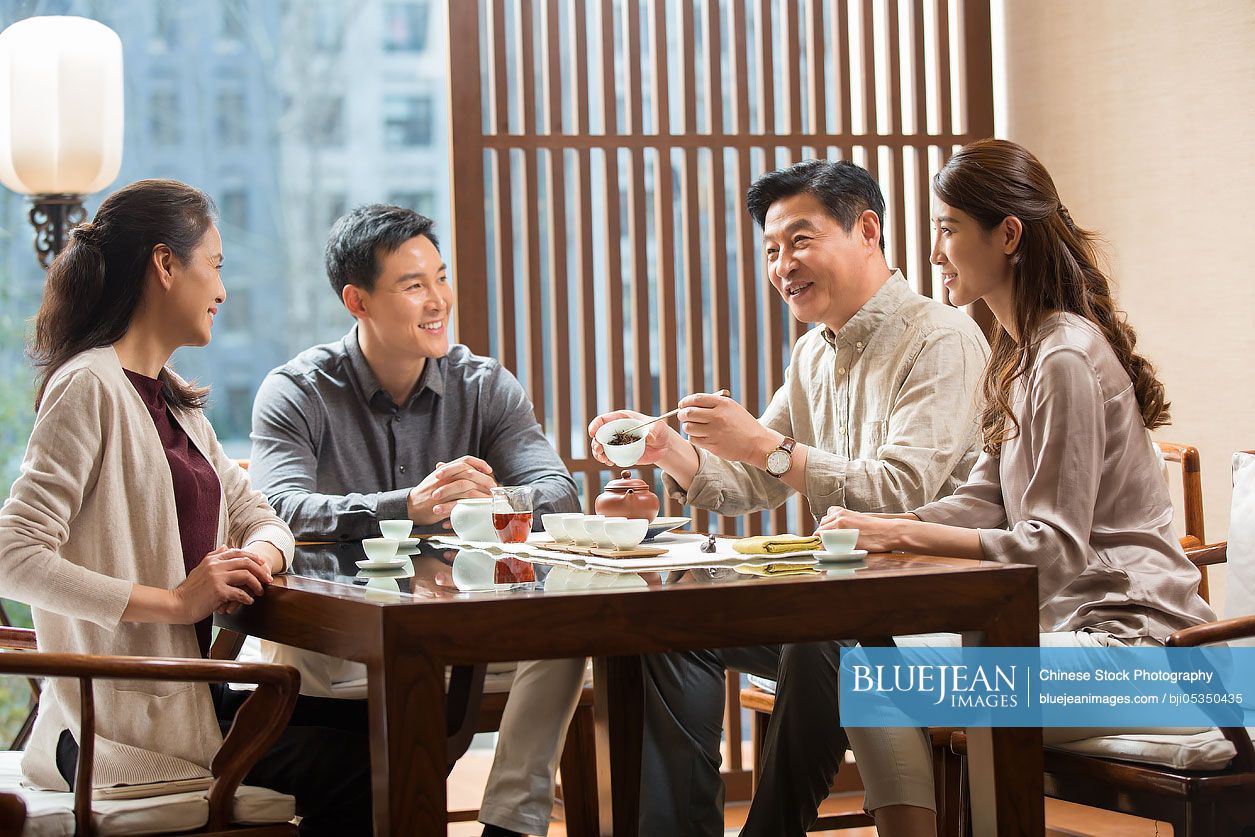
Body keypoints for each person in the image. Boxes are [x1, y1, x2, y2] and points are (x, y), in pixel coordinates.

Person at [764, 138, 1217, 836]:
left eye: (947, 229)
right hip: (1068, 641)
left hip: (1143, 658)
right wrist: (877, 527)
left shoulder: (1062, 354)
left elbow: (1052, 549)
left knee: (854, 659)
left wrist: (902, 531)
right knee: (852, 649)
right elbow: (981, 498)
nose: (935, 251)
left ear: (1006, 235)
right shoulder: (1020, 355)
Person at [588, 159, 991, 836]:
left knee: (822, 634)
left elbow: (900, 491)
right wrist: (667, 449)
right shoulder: (812, 353)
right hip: (847, 602)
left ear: (867, 230)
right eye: (771, 250)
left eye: (799, 241)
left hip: (936, 603)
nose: (782, 265)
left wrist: (764, 447)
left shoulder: (940, 338)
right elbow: (751, 480)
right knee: (673, 630)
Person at [0, 179, 371, 835]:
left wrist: (253, 556)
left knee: (386, 722)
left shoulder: (176, 407)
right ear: (165, 264)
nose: (222, 291)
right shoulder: (89, 386)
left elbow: (265, 519)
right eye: (216, 266)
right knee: (360, 762)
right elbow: (14, 556)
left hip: (187, 696)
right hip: (119, 723)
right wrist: (175, 602)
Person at [249, 204, 585, 837]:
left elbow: (557, 491)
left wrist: (497, 502)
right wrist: (408, 505)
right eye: (413, 286)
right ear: (357, 301)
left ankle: (512, 824)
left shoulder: (483, 385)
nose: (438, 301)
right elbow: (279, 510)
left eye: (441, 277)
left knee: (566, 631)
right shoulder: (298, 390)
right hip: (338, 645)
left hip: (466, 634)